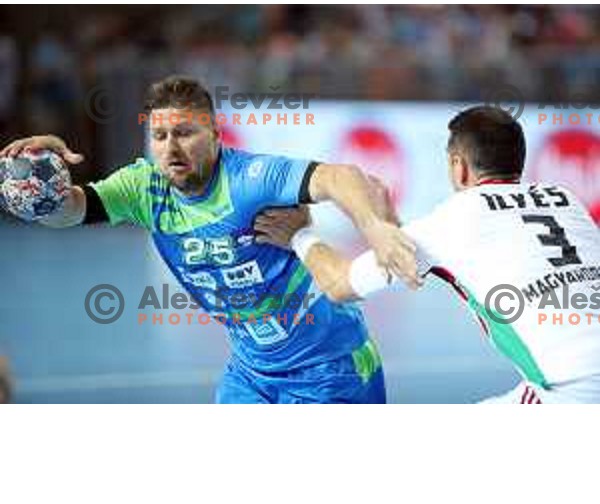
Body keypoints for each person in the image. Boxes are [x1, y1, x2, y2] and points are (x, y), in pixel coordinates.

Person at [0, 75, 419, 404]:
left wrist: (375, 228)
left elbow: (341, 176)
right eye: (160, 137)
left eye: (185, 133)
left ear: (217, 135)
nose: (170, 148)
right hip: (251, 374)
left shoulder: (249, 180)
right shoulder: (144, 188)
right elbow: (68, 212)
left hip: (331, 368)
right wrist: (44, 184)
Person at [254, 106, 600, 403]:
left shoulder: (454, 216)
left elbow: (339, 285)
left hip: (572, 390)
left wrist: (299, 234)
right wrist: (393, 226)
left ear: (458, 166)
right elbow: (444, 257)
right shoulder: (566, 199)